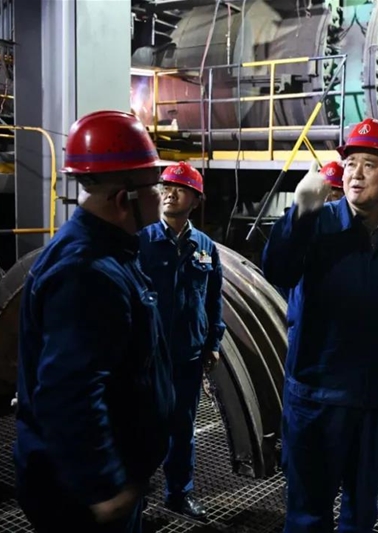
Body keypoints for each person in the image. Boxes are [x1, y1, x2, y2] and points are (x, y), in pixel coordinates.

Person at [262, 117, 378, 533]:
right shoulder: (317, 222)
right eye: (350, 163)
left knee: (362, 510)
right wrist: (299, 215)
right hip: (317, 394)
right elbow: (278, 270)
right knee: (308, 513)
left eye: (369, 165)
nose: (355, 174)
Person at [14, 110, 175, 532]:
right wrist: (104, 487)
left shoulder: (110, 251)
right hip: (82, 497)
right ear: (124, 200)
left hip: (103, 477)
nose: (162, 194)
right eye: (155, 184)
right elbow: (70, 392)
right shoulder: (87, 274)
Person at [139, 161, 225, 519]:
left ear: (196, 199)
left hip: (188, 355)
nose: (169, 193)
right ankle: (136, 493)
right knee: (141, 427)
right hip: (146, 357)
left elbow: (213, 299)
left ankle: (179, 494)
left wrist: (213, 343)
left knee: (183, 429)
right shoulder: (142, 240)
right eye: (166, 187)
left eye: (179, 188)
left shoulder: (204, 246)